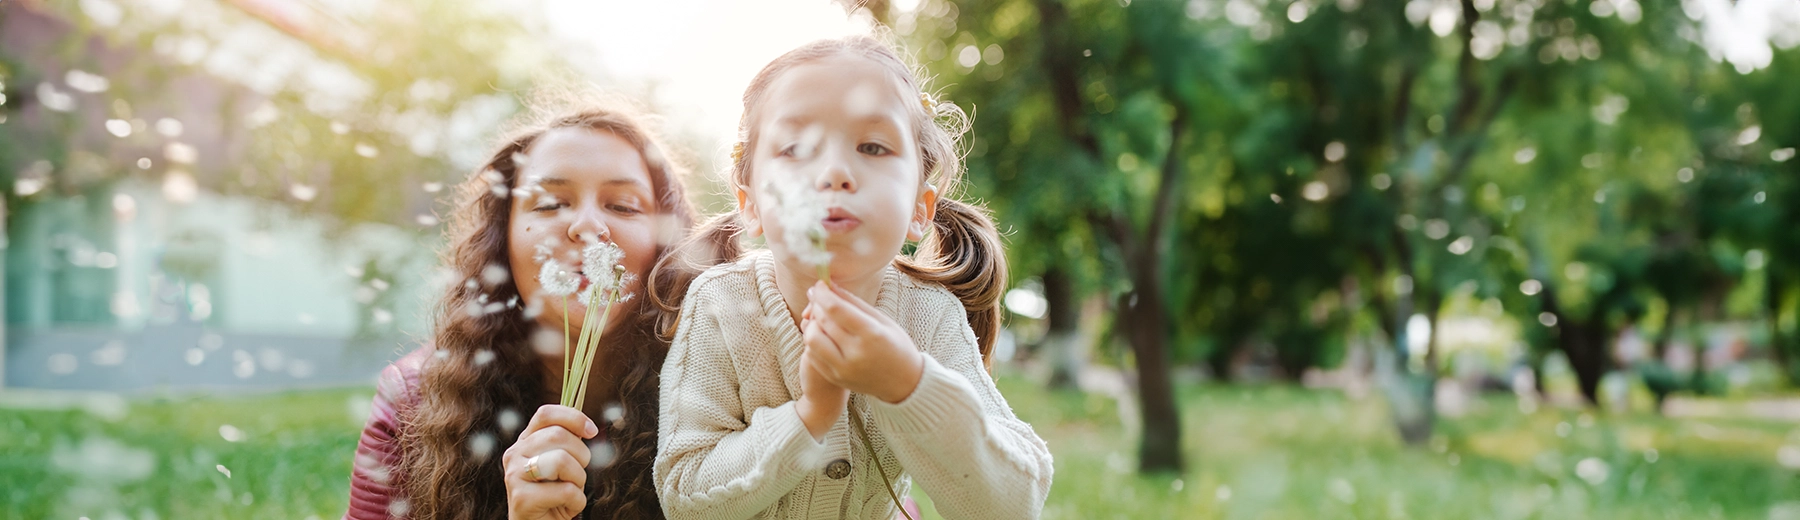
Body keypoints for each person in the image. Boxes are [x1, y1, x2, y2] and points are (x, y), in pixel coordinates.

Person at [652, 35, 1054, 519]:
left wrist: (907, 384)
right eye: (796, 147)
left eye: (872, 146)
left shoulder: (928, 315)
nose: (835, 172)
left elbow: (1013, 506)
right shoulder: (719, 305)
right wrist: (810, 417)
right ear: (751, 204)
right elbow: (683, 493)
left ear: (918, 210)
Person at [346, 98, 696, 520]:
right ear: (502, 241)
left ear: (665, 245)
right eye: (549, 204)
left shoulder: (718, 390)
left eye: (622, 206)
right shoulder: (413, 402)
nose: (588, 227)